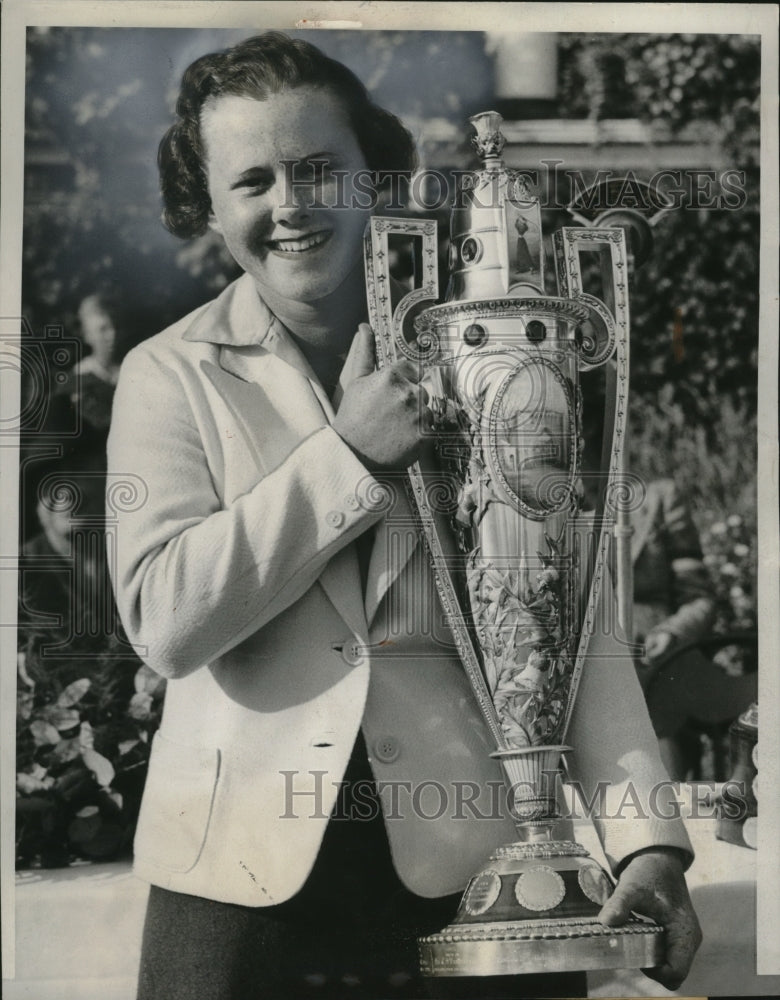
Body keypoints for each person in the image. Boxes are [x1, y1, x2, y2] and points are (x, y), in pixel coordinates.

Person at [107, 32, 701, 1000]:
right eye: (253, 180)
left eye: (318, 169)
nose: (291, 206)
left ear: (375, 177)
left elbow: (563, 601)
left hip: (482, 866)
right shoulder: (167, 375)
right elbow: (167, 622)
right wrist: (346, 458)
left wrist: (647, 842)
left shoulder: (486, 349)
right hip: (240, 880)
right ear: (207, 206)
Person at [632, 479, 757, 779]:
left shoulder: (658, 498)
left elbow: (699, 599)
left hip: (655, 660)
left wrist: (671, 633)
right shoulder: (545, 500)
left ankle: (661, 808)